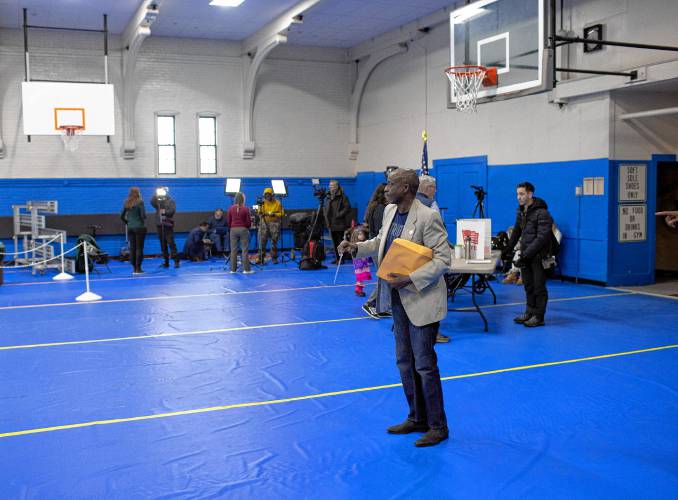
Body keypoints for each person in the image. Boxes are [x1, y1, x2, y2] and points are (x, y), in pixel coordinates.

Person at [338, 168, 451, 447]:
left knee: (425, 365)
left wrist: (412, 278)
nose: (386, 188)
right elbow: (381, 243)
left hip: (421, 298)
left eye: (391, 184)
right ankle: (416, 418)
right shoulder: (389, 211)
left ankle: (438, 426)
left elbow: (443, 259)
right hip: (397, 299)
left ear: (406, 188)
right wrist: (356, 247)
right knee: (404, 362)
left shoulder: (428, 216)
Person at [504, 182, 554, 328]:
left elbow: (542, 238)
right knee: (529, 286)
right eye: (517, 194)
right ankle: (529, 312)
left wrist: (527, 255)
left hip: (538, 256)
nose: (518, 197)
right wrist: (509, 248)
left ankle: (539, 317)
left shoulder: (542, 213)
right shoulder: (521, 211)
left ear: (530, 194)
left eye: (522, 194)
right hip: (526, 255)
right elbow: (517, 231)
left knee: (539, 287)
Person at [415, 175, 450, 343]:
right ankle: (433, 333)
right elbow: (438, 231)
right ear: (427, 188)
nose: (435, 190)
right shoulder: (431, 206)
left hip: (413, 257)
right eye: (433, 187)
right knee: (434, 297)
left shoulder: (410, 204)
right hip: (430, 257)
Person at [362, 184, 390, 319]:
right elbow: (382, 231)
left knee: (385, 278)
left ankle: (381, 307)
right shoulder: (380, 209)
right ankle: (370, 303)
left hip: (377, 247)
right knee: (385, 279)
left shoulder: (376, 207)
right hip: (378, 248)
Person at [120, 187, 147, 274]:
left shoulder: (127, 202)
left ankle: (134, 268)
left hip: (130, 228)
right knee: (139, 248)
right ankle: (138, 269)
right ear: (138, 193)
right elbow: (143, 215)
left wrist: (127, 223)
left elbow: (121, 216)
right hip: (139, 227)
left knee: (132, 248)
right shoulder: (140, 202)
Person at [150, 191, 180, 269]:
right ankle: (166, 262)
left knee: (171, 243)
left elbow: (172, 211)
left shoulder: (171, 201)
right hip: (160, 225)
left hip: (168, 225)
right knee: (163, 244)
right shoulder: (158, 202)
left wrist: (163, 212)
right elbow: (152, 202)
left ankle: (176, 261)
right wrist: (155, 194)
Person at [325, 180, 351, 262]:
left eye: (332, 186)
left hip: (340, 223)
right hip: (331, 223)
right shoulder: (328, 197)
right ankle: (337, 258)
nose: (330, 187)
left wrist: (338, 214)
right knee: (334, 243)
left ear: (337, 187)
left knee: (340, 242)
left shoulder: (343, 197)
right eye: (330, 186)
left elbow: (347, 208)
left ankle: (341, 258)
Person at [227, 192, 254, 274]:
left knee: (233, 250)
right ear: (243, 199)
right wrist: (247, 227)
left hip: (233, 230)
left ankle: (233, 269)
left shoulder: (230, 208)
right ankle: (246, 269)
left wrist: (232, 227)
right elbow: (248, 222)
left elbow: (228, 221)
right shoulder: (246, 209)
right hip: (243, 230)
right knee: (244, 250)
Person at [257, 187, 284, 264]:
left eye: (269, 195)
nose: (267, 196)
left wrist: (274, 214)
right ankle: (261, 257)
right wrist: (261, 213)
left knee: (274, 241)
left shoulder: (277, 203)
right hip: (264, 224)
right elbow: (259, 212)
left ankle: (274, 257)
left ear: (272, 195)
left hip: (274, 224)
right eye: (266, 195)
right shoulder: (262, 203)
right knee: (262, 241)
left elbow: (282, 213)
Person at [349, 226, 373, 297]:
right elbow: (355, 256)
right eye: (359, 234)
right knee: (360, 278)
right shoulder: (355, 246)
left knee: (361, 278)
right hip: (359, 265)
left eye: (362, 234)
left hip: (364, 264)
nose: (362, 236)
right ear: (356, 235)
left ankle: (360, 289)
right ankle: (358, 289)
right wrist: (361, 261)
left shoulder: (364, 244)